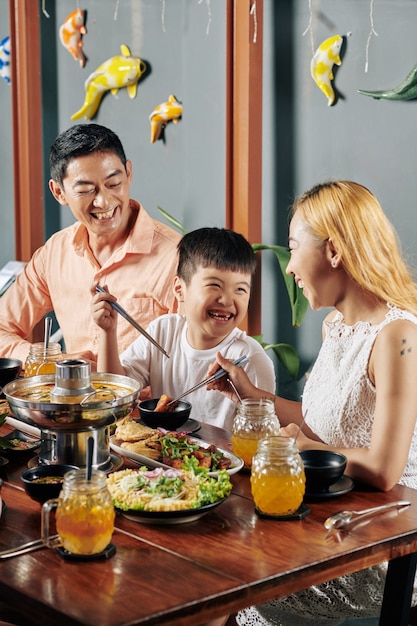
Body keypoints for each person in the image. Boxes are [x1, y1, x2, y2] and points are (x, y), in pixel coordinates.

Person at [206, 180, 417, 624]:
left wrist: (304, 449)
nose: (288, 268)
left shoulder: (400, 337)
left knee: (237, 585)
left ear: (334, 251)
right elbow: (327, 422)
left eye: (293, 247)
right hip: (337, 509)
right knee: (216, 551)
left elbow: (383, 469)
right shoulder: (336, 327)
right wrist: (251, 393)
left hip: (389, 538)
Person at [0, 124, 182, 369]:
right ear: (59, 193)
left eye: (114, 183)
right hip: (70, 403)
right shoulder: (55, 253)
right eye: (86, 190)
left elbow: (194, 360)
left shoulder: (176, 257)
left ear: (129, 173)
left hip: (144, 406)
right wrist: (55, 362)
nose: (104, 200)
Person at [91, 227, 276, 430]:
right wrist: (108, 331)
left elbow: (262, 436)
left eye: (240, 289)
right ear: (180, 290)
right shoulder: (163, 331)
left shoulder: (250, 358)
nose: (226, 300)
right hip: (161, 454)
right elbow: (117, 393)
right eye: (214, 285)